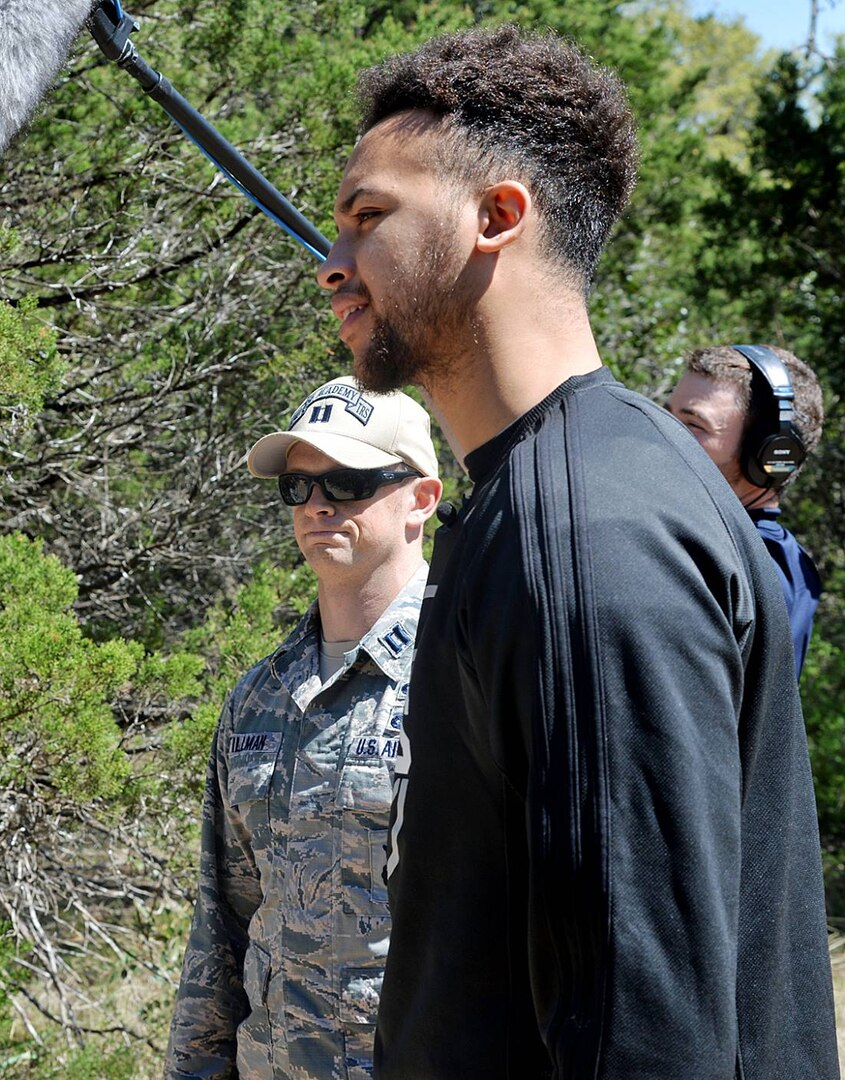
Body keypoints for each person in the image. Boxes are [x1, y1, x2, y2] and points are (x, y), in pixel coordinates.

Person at [314, 26, 838, 1077]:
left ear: (496, 217)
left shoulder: (583, 539)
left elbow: (642, 1037)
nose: (333, 267)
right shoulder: (585, 480)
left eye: (369, 218)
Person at [165, 376, 442, 1079]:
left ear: (420, 499)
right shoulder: (259, 696)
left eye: (346, 483)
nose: (316, 506)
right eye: (297, 487)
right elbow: (222, 923)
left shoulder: (467, 672)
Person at [667, 344, 825, 676]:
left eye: (694, 425)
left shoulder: (759, 570)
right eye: (668, 415)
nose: (664, 434)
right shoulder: (719, 542)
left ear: (768, 455)